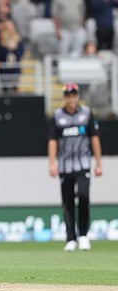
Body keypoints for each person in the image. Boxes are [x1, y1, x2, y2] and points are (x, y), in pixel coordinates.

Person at [48, 83, 103, 252]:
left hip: (83, 163)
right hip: (65, 166)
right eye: (68, 95)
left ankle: (84, 236)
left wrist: (98, 163)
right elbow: (52, 141)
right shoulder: (57, 116)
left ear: (77, 96)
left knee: (84, 196)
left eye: (73, 95)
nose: (71, 98)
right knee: (68, 202)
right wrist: (52, 163)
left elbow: (94, 138)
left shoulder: (86, 114)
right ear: (64, 97)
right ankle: (71, 238)